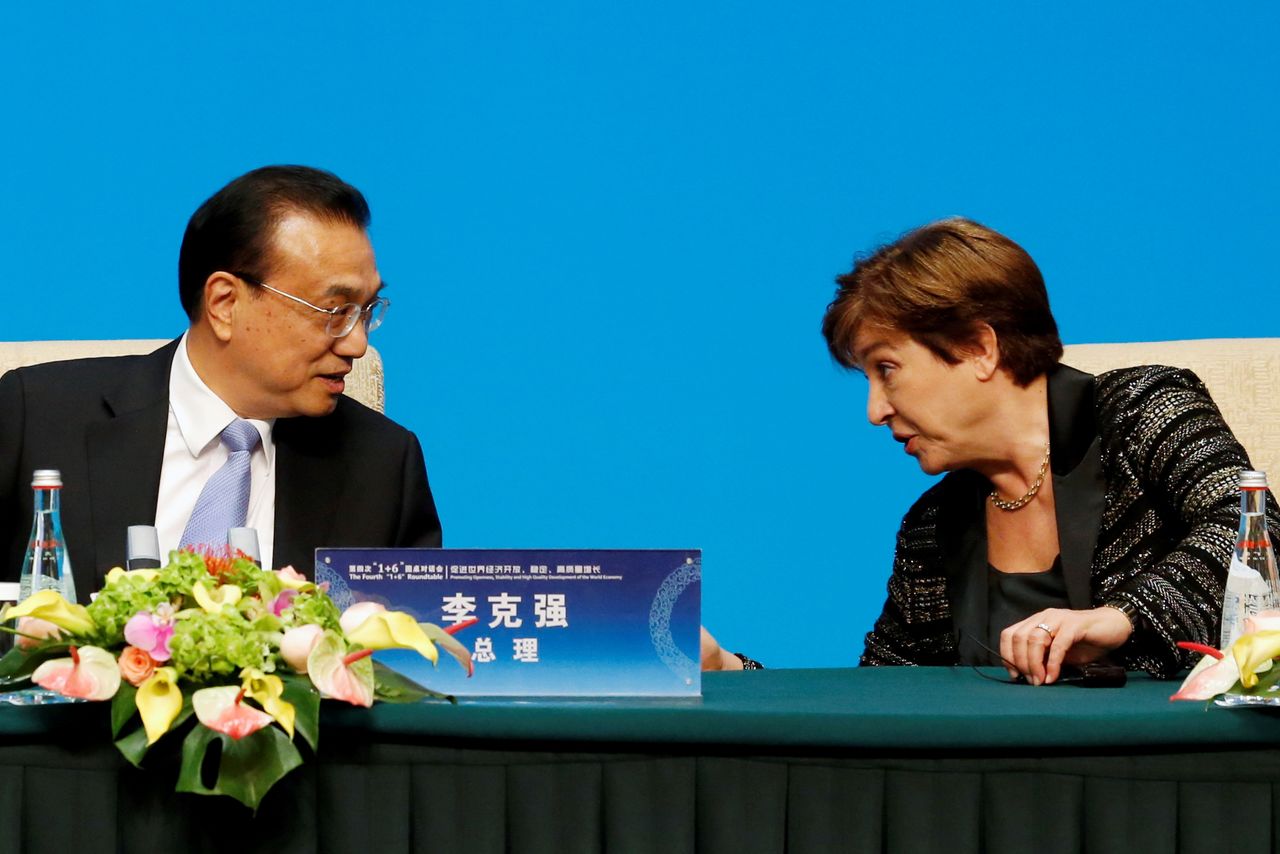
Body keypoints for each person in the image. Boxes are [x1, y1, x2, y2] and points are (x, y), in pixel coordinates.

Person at [821, 217, 1280, 683]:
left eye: (887, 369)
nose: (875, 411)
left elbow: (1255, 533)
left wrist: (1121, 616)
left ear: (979, 348)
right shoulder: (931, 527)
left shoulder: (1142, 410)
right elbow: (883, 691)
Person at [0, 165, 442, 598]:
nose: (357, 344)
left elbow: (413, 639)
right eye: (335, 312)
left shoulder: (382, 466)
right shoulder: (34, 416)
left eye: (366, 311)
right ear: (225, 303)